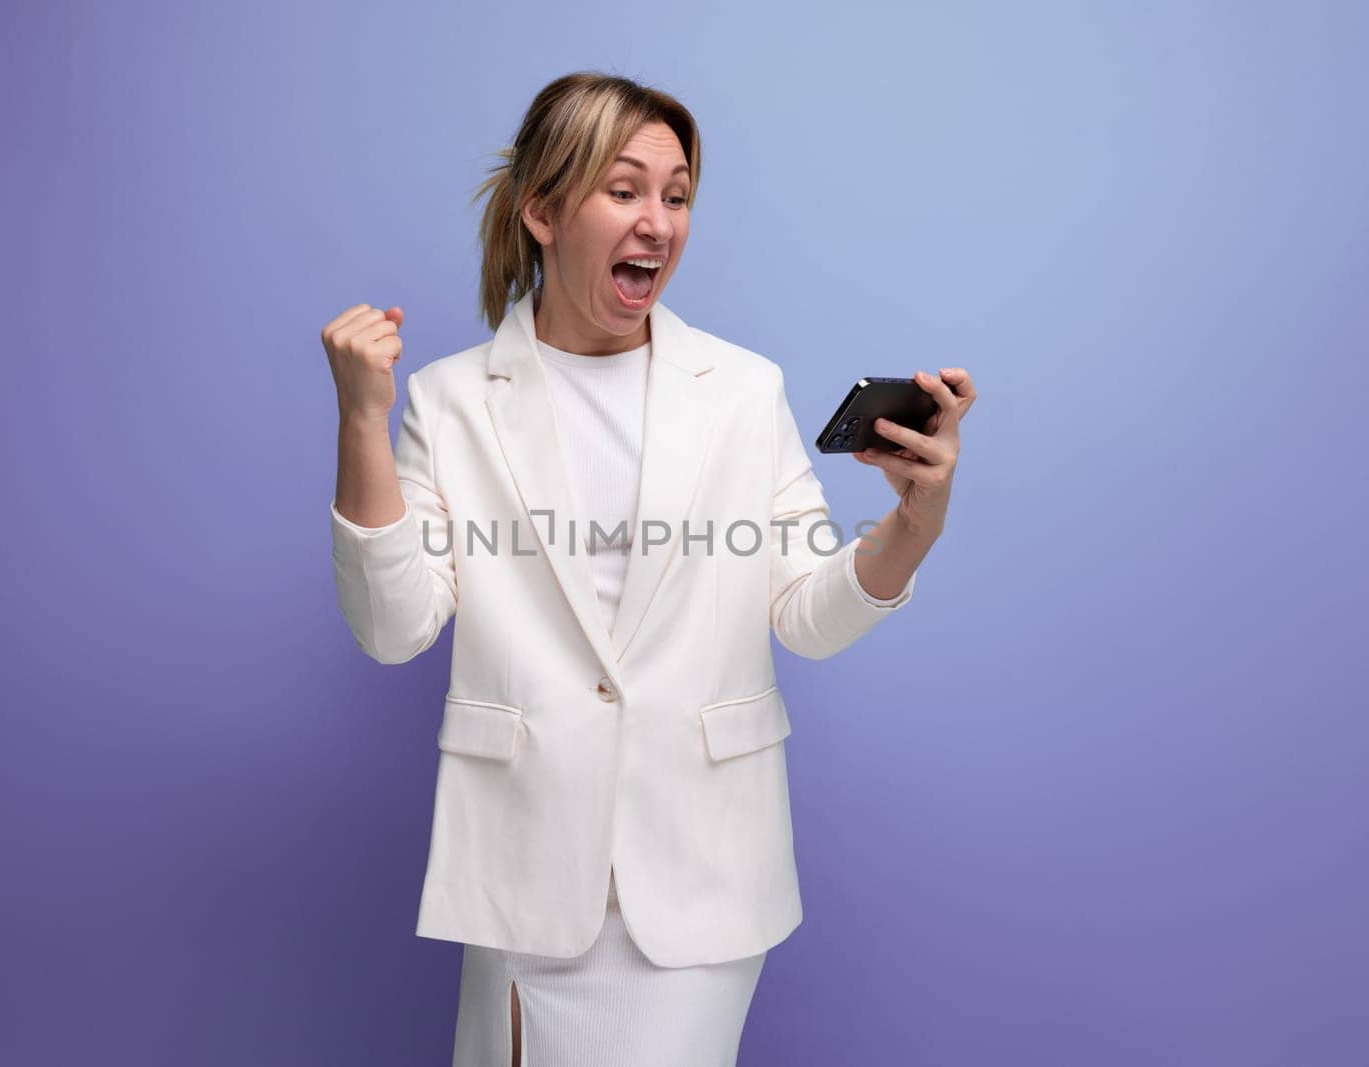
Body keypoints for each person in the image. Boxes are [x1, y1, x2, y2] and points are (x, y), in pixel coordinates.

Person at [321, 71, 976, 1067]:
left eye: (676, 195)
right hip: (524, 876)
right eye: (624, 189)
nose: (659, 223)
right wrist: (362, 421)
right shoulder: (452, 401)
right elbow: (394, 625)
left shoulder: (742, 391)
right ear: (541, 209)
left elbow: (807, 612)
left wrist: (913, 526)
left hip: (701, 873)